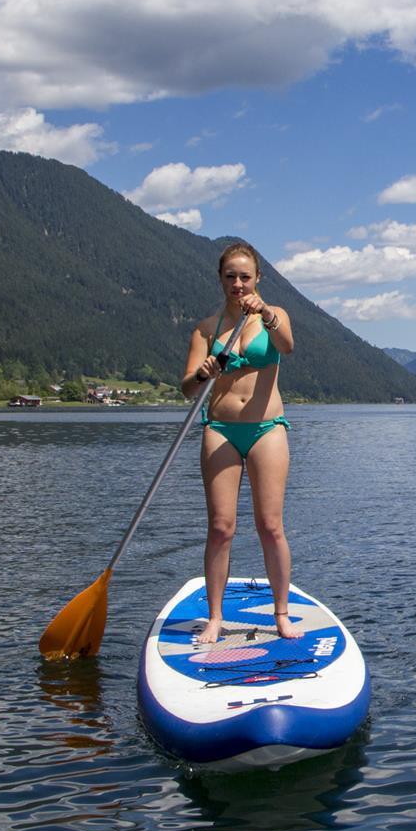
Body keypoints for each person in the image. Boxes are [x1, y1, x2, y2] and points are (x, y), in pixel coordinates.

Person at [181, 241, 299, 644]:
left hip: (267, 428)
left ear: (258, 278)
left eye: (245, 276)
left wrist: (264, 312)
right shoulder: (206, 328)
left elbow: (286, 345)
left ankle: (281, 613)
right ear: (220, 279)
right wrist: (203, 373)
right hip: (221, 429)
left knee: (270, 525)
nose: (238, 283)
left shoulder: (275, 315)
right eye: (230, 276)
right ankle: (215, 618)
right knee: (221, 528)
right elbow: (185, 389)